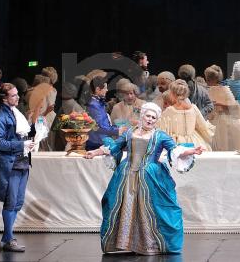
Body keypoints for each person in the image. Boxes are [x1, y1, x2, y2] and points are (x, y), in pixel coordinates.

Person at [84, 102, 203, 255]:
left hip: (149, 176)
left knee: (152, 208)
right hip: (126, 175)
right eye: (148, 116)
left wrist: (192, 151)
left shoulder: (160, 135)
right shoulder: (130, 133)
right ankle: (125, 243)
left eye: (154, 117)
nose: (150, 119)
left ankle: (148, 244)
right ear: (142, 116)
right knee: (122, 206)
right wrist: (94, 152)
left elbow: (175, 150)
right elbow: (114, 147)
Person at [0, 82, 37, 253]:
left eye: (17, 94)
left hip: (22, 162)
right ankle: (9, 239)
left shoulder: (15, 112)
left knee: (17, 202)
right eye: (13, 95)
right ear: (4, 99)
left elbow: (21, 134)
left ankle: (6, 239)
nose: (17, 97)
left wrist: (34, 126)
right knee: (11, 203)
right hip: (11, 164)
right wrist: (21, 145)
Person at [158, 80, 215, 150]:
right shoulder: (194, 108)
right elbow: (203, 126)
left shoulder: (169, 111)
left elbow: (162, 129)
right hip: (195, 142)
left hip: (176, 143)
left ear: (172, 94)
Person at [204, 65, 240, 152]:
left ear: (215, 79)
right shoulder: (207, 90)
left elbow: (234, 107)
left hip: (223, 121)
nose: (207, 81)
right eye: (207, 78)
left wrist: (219, 104)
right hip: (211, 120)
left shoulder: (224, 90)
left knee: (223, 144)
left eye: (209, 79)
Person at [85, 76, 118, 151]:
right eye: (105, 88)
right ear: (97, 89)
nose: (107, 90)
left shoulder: (97, 102)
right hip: (97, 143)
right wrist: (118, 130)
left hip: (101, 141)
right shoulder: (93, 105)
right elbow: (100, 127)